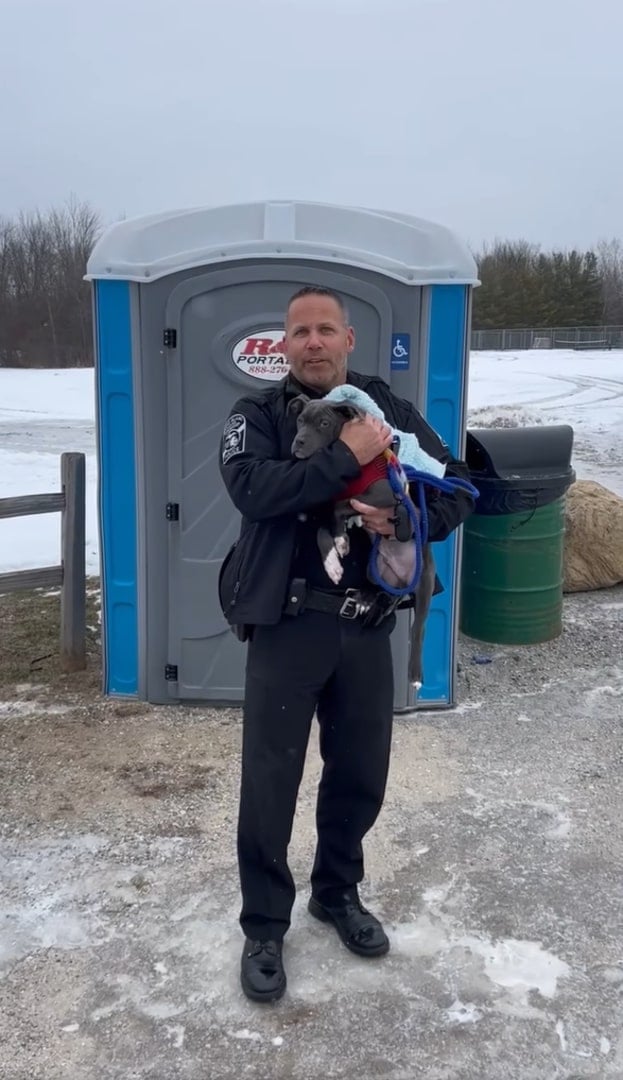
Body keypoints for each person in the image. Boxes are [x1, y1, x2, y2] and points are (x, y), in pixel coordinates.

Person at [218, 286, 476, 1003]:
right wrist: (347, 457)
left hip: (366, 623)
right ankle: (265, 923)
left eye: (324, 329)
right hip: (287, 624)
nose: (312, 342)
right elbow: (254, 491)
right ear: (283, 344)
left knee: (359, 773)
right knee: (270, 780)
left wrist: (405, 524)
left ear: (348, 339)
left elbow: (454, 482)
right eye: (298, 331)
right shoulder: (258, 416)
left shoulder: (386, 408)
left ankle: (337, 893)